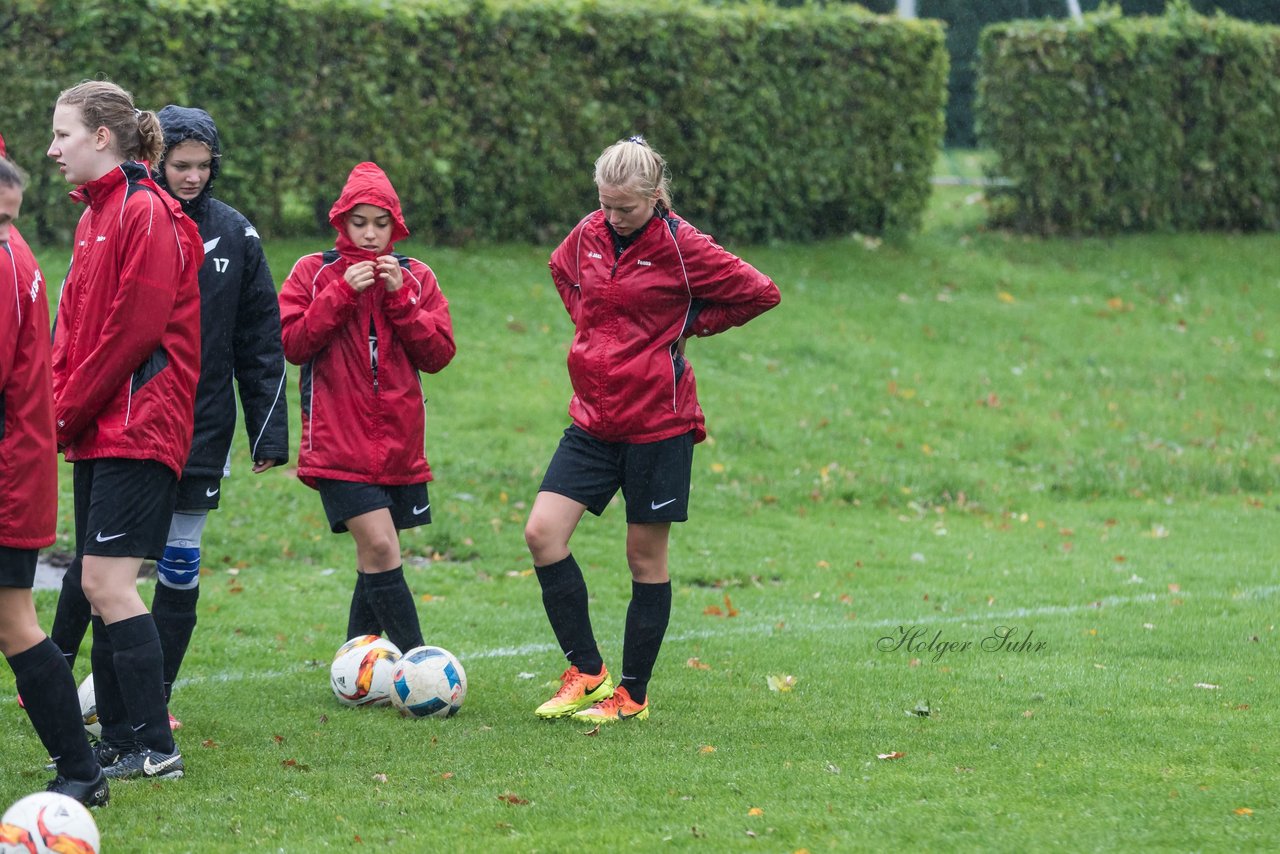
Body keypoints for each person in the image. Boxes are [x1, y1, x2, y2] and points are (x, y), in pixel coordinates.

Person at [48, 105, 289, 728]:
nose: (193, 177)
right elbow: (77, 318)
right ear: (154, 157)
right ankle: (57, 671)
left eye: (204, 167)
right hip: (121, 417)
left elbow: (260, 341)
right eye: (181, 165)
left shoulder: (235, 236)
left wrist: (269, 429)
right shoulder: (123, 215)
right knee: (102, 566)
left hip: (194, 425)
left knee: (172, 565)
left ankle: (155, 703)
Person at [525, 136, 780, 723]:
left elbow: (760, 293)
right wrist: (594, 327)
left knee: (644, 559)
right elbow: (562, 272)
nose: (612, 218)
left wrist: (686, 325)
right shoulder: (587, 234)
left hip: (658, 424)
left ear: (655, 195)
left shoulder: (683, 245)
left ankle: (631, 697)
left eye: (626, 208)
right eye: (606, 204)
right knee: (543, 534)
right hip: (592, 418)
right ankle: (588, 675)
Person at [46, 80, 203, 780]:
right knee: (95, 578)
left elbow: (133, 332)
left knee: (109, 582)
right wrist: (52, 405)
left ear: (102, 138)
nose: (52, 150)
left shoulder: (149, 211)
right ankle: (118, 739)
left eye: (63, 135)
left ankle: (156, 746)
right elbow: (74, 332)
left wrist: (65, 409)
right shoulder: (94, 217)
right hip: (98, 424)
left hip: (139, 423)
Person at [278, 162, 455, 654]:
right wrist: (341, 293)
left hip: (399, 445)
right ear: (341, 222)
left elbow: (438, 355)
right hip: (337, 444)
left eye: (381, 223)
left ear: (395, 225)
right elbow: (292, 343)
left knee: (374, 555)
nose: (371, 234)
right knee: (380, 547)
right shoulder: (312, 273)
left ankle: (357, 665)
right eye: (360, 223)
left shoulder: (417, 277)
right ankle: (420, 665)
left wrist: (400, 300)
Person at [0, 139, 109, 807]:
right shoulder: (13, 251)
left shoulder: (4, 261)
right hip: (18, 469)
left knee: (16, 622)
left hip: (8, 480)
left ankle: (83, 771)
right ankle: (82, 769)